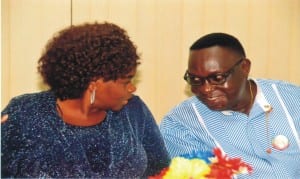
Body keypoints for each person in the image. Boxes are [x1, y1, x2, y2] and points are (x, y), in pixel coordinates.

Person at [1, 22, 170, 178]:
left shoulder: (133, 110)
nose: (132, 88)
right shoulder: (24, 113)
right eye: (126, 81)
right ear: (94, 83)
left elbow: (161, 170)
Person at [159, 32, 300, 178]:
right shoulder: (180, 125)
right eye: (195, 80)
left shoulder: (293, 99)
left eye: (217, 78)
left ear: (245, 67)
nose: (206, 89)